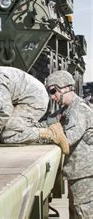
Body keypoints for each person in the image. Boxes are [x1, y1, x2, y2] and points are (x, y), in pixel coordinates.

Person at [44, 71, 92, 218]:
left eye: (54, 91)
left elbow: (68, 139)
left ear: (66, 88)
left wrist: (44, 135)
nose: (53, 97)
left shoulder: (78, 110)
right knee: (75, 213)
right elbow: (48, 120)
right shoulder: (67, 110)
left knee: (83, 213)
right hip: (77, 173)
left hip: (84, 174)